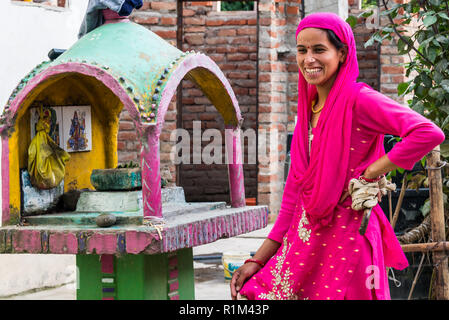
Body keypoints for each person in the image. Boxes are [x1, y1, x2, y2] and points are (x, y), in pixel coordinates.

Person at [230, 12, 445, 300]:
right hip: (307, 244)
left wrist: (370, 172)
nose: (309, 59)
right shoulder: (309, 109)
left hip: (350, 243)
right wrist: (258, 259)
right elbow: (294, 198)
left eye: (319, 50)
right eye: (302, 50)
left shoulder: (360, 100)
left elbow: (428, 133)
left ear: (342, 54)